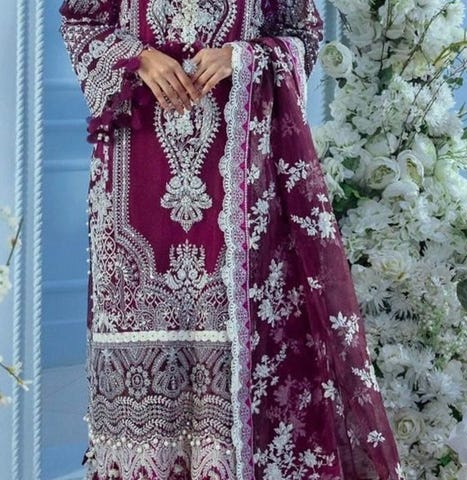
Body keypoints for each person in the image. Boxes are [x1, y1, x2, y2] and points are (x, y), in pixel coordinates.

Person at [58, 0, 405, 478]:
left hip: (240, 188)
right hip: (135, 186)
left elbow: (302, 33)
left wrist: (240, 58)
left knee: (236, 338)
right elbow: (82, 20)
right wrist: (139, 59)